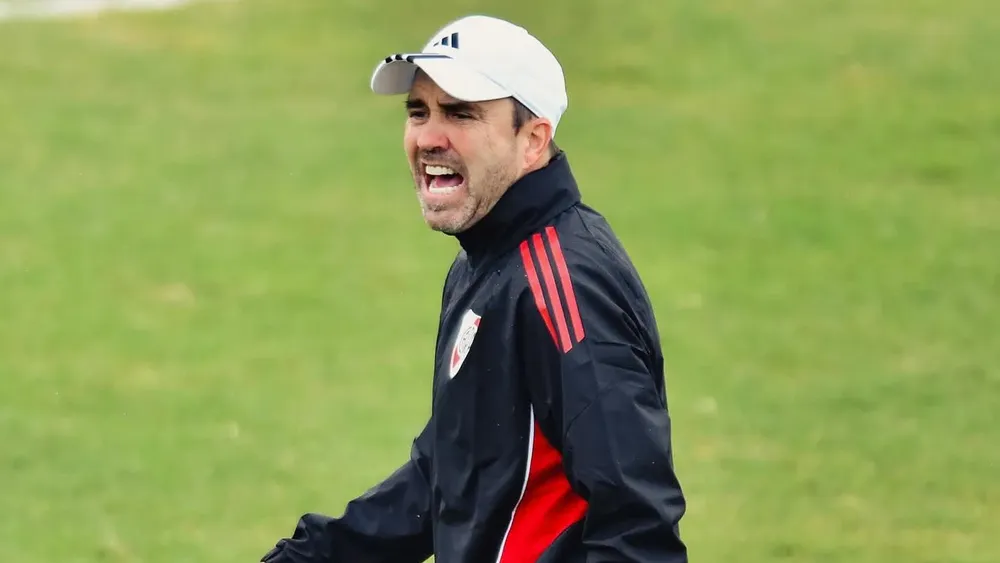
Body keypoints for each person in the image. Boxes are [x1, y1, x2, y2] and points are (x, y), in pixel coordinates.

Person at [261, 14, 688, 563]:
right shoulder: (484, 264)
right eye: (418, 111)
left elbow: (636, 529)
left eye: (460, 114)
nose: (428, 137)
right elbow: (448, 477)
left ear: (533, 140)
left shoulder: (563, 285)